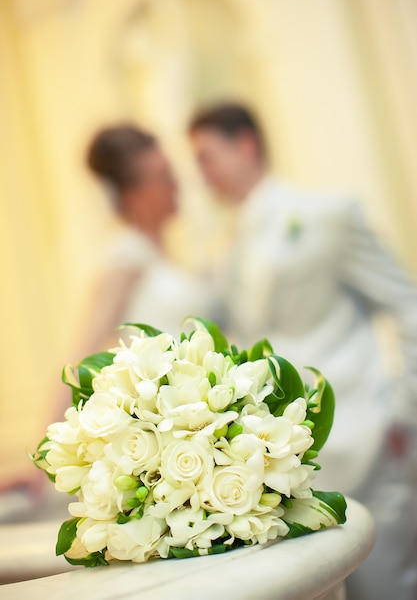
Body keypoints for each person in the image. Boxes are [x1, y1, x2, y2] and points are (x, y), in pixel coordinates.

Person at [188, 103, 417, 600]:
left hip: (369, 437)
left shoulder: (328, 213)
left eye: (206, 157)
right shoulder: (220, 247)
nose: (201, 175)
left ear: (246, 144)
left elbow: (407, 306)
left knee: (387, 589)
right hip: (285, 466)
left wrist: (405, 412)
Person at [84, 123, 212, 351]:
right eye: (163, 176)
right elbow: (86, 346)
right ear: (131, 196)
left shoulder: (163, 252)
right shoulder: (126, 255)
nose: (176, 184)